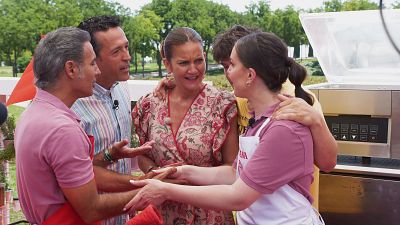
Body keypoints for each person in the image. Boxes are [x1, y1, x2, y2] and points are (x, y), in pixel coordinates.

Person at [126, 31, 325, 225]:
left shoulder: (282, 126)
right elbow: (234, 173)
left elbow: (238, 197)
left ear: (250, 74)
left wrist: (166, 190)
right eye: (183, 63)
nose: (227, 74)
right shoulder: (256, 117)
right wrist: (182, 171)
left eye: (231, 65)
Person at [15, 27, 174, 225]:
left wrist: (110, 156)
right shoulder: (62, 129)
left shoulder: (35, 112)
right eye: (92, 64)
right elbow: (91, 209)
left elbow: (75, 173)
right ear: (71, 69)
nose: (97, 71)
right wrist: (152, 191)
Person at [132, 27, 238, 225]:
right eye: (183, 63)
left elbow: (232, 169)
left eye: (198, 60)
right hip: (163, 212)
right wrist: (159, 175)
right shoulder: (149, 105)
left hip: (209, 213)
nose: (193, 69)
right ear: (167, 64)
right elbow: (143, 155)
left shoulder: (223, 105)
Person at [71, 16, 143, 225]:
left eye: (127, 47)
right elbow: (71, 171)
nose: (127, 57)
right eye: (116, 51)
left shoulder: (121, 88)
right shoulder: (73, 105)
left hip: (123, 215)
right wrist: (140, 184)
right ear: (93, 57)